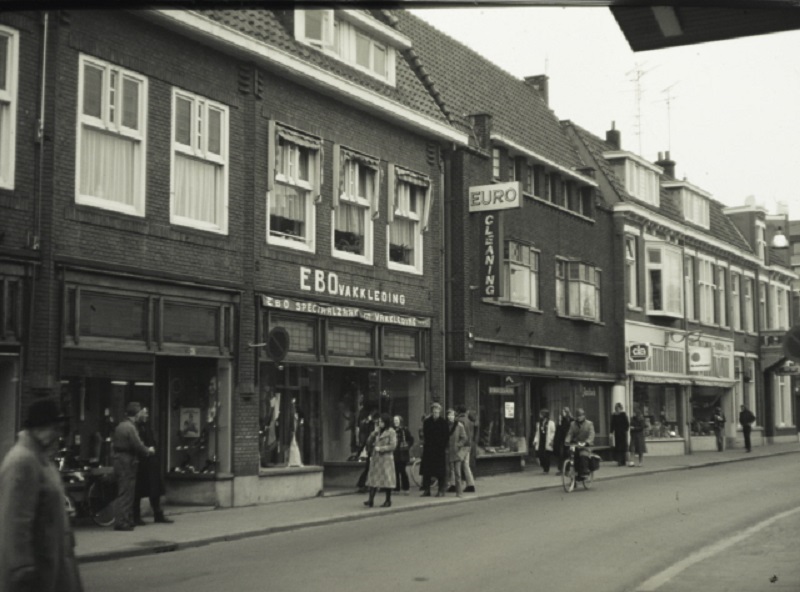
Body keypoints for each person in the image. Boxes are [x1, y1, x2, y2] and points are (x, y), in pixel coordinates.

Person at [0, 398, 84, 592]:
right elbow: (15, 520)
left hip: (51, 562)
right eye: (55, 428)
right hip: (35, 573)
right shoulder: (22, 461)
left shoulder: (41, 458)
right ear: (40, 428)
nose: (58, 435)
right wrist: (22, 567)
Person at [112, 401, 154, 531]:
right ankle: (122, 521)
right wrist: (149, 450)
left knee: (124, 490)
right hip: (127, 460)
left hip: (118, 459)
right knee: (127, 492)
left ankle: (126, 519)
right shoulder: (131, 427)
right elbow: (137, 445)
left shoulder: (120, 425)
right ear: (135, 414)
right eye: (139, 411)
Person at [134, 407, 173, 525]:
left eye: (147, 413)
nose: (147, 415)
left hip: (151, 463)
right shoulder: (135, 427)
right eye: (145, 413)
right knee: (138, 491)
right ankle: (136, 516)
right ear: (138, 413)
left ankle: (158, 513)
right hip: (141, 463)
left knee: (154, 490)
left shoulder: (146, 427)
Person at [364, 413, 397, 508]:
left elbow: (393, 445)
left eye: (381, 421)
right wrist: (373, 433)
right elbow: (368, 442)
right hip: (376, 459)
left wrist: (381, 448)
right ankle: (370, 500)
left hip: (386, 459)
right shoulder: (377, 431)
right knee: (373, 479)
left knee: (387, 480)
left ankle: (388, 500)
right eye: (379, 421)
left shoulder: (391, 432)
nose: (380, 423)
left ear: (386, 422)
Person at [420, 402, 449, 497]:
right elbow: (425, 435)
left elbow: (446, 436)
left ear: (439, 412)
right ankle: (426, 490)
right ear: (432, 412)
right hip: (429, 449)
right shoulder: (427, 422)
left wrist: (442, 447)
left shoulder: (443, 422)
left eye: (437, 411)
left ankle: (441, 490)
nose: (435, 413)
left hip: (439, 450)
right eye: (434, 411)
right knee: (427, 471)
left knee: (440, 471)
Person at [450, 406, 476, 492]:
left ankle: (454, 485)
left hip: (461, 445)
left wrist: (457, 444)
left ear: (458, 412)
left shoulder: (459, 421)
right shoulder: (468, 420)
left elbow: (458, 434)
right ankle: (470, 484)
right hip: (468, 445)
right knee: (465, 464)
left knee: (454, 464)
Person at [445, 408, 469, 497]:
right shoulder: (445, 426)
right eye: (448, 415)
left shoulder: (459, 425)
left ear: (454, 416)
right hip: (447, 451)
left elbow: (464, 437)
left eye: (451, 415)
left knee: (457, 472)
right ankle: (443, 490)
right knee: (447, 472)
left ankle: (459, 492)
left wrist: (459, 444)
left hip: (457, 452)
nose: (450, 417)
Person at [565, 407, 595, 477]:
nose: (579, 417)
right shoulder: (573, 424)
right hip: (576, 444)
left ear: (584, 416)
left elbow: (592, 434)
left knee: (583, 455)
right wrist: (567, 441)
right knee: (570, 454)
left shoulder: (589, 424)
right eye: (578, 416)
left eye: (580, 416)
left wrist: (587, 442)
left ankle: (584, 472)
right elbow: (570, 433)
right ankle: (569, 471)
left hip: (586, 445)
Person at [392, 415, 414, 494]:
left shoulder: (405, 430)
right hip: (395, 453)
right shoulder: (392, 430)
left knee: (402, 470)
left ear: (400, 421)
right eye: (394, 420)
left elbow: (411, 439)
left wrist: (407, 445)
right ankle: (396, 488)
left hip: (402, 454)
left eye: (397, 420)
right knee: (395, 471)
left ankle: (406, 487)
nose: (395, 422)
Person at [532, 408, 555, 474]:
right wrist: (535, 440)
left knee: (547, 456)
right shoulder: (539, 423)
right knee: (540, 455)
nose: (540, 415)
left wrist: (552, 440)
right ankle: (543, 465)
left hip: (547, 441)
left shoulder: (551, 423)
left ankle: (546, 469)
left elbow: (553, 432)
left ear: (544, 415)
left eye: (541, 414)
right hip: (541, 441)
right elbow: (537, 432)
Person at [610, 403, 630, 467]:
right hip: (617, 433)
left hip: (623, 433)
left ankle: (623, 461)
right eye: (616, 408)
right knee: (618, 447)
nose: (617, 409)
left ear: (621, 408)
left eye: (618, 408)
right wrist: (611, 432)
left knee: (623, 447)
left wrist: (625, 430)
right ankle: (619, 461)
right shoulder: (614, 415)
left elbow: (627, 424)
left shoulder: (623, 414)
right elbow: (612, 424)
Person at [554, 407, 573, 476]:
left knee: (567, 454)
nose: (563, 413)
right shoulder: (561, 420)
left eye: (564, 412)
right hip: (561, 441)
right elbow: (559, 430)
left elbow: (567, 429)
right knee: (561, 455)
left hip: (568, 440)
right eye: (562, 412)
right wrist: (559, 423)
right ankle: (561, 469)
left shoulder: (570, 420)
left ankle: (567, 470)